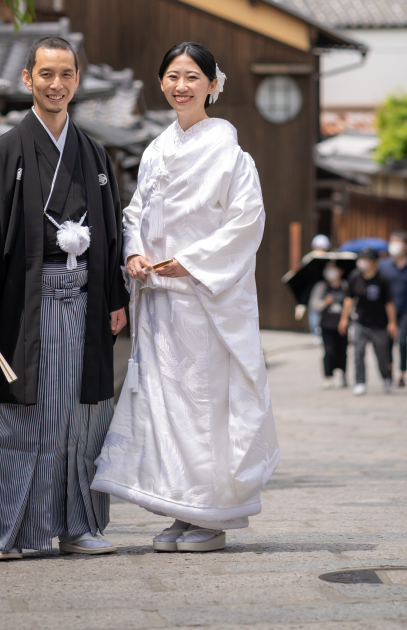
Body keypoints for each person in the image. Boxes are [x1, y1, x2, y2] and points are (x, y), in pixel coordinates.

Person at [0, 37, 128, 559]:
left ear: (77, 80)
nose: (56, 84)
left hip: (84, 303)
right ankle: (14, 531)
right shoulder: (6, 152)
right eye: (46, 74)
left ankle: (78, 526)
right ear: (28, 79)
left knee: (82, 417)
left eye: (66, 74)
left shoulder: (93, 154)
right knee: (24, 418)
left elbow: (110, 232)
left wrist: (115, 296)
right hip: (28, 305)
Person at [92, 42, 279, 553]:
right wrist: (133, 254)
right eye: (172, 76)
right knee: (164, 406)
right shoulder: (156, 150)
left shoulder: (233, 157)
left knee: (204, 406)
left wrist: (191, 263)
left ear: (213, 85)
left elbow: (246, 224)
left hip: (204, 303)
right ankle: (179, 509)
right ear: (160, 83)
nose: (181, 86)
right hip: (158, 300)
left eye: (193, 76)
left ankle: (212, 516)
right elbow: (135, 214)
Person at [338, 248, 397, 395]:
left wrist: (392, 323)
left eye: (366, 259)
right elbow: (349, 299)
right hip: (360, 321)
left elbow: (389, 302)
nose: (362, 262)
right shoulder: (355, 277)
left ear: (374, 262)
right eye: (361, 259)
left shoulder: (382, 279)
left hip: (379, 323)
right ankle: (360, 381)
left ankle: (386, 378)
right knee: (358, 352)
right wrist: (344, 319)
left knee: (382, 354)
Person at [379, 231, 407, 388]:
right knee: (386, 342)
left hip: (406, 309)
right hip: (386, 311)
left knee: (402, 342)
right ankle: (388, 371)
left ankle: (402, 373)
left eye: (398, 242)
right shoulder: (383, 265)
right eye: (392, 241)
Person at [310, 262, 349, 388]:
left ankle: (343, 374)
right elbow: (313, 305)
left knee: (342, 351)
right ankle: (328, 376)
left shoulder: (346, 285)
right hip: (326, 324)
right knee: (329, 350)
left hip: (342, 325)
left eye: (333, 268)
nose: (330, 271)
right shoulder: (321, 286)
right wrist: (325, 303)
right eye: (328, 269)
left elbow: (352, 303)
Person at [300, 234, 331, 340]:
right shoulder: (308, 259)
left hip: (327, 287)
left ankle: (323, 333)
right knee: (314, 310)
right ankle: (316, 333)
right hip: (313, 289)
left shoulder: (329, 258)